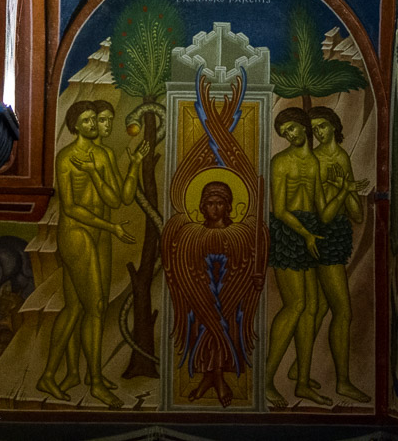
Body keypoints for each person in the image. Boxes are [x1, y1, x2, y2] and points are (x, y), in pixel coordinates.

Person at [35, 101, 138, 407]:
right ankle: (95, 382)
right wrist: (111, 227)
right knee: (95, 307)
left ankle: (51, 375)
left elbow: (117, 199)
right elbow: (70, 207)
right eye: (88, 120)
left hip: (100, 235)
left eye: (95, 119)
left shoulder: (104, 155)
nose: (94, 124)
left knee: (79, 307)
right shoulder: (66, 158)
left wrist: (130, 165)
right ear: (75, 126)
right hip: (76, 234)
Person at [265, 107, 352, 408]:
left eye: (292, 128)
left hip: (310, 232)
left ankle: (302, 382)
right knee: (296, 305)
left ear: (303, 126)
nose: (289, 135)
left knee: (312, 308)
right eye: (284, 132)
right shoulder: (280, 162)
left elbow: (322, 212)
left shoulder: (313, 162)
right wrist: (306, 234)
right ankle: (266, 380)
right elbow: (279, 210)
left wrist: (343, 192)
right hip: (290, 234)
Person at [162, 180, 263, 407]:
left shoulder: (240, 234)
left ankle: (214, 376)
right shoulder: (192, 234)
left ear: (228, 206)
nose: (214, 208)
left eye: (219, 203)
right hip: (202, 293)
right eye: (209, 203)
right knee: (205, 325)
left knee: (223, 324)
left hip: (229, 295)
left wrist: (256, 281)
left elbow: (248, 267)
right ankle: (213, 376)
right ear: (202, 206)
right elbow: (181, 267)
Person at [294, 107, 370, 403]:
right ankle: (343, 382)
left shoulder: (342, 158)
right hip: (322, 237)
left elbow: (356, 214)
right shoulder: (315, 161)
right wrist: (343, 191)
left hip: (336, 237)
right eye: (314, 129)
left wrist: (346, 190)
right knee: (343, 311)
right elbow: (324, 215)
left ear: (335, 126)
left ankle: (296, 368)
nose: (319, 133)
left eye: (323, 126)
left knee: (324, 306)